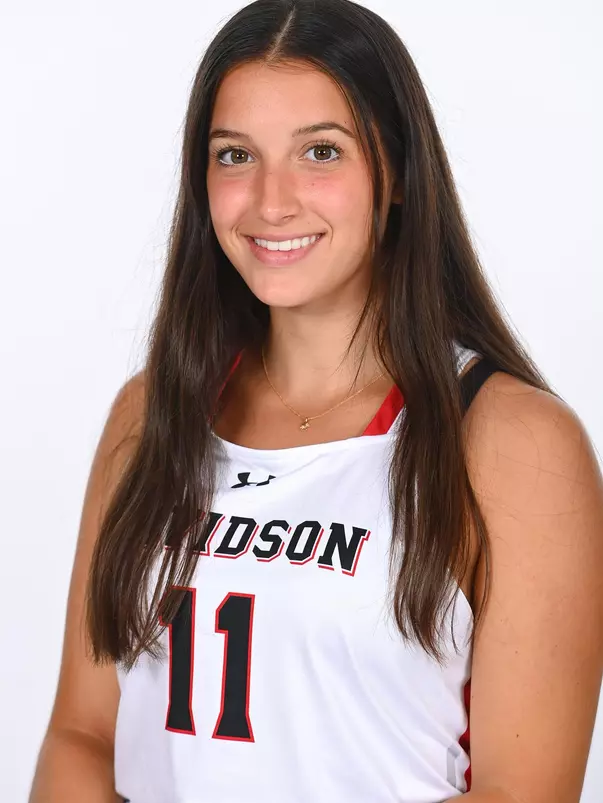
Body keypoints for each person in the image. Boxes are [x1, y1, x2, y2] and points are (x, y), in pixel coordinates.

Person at [30, 1, 603, 801]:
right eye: (235, 155)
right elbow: (82, 734)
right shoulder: (150, 414)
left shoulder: (512, 443)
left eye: (320, 152)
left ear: (397, 172)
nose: (271, 201)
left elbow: (521, 791)